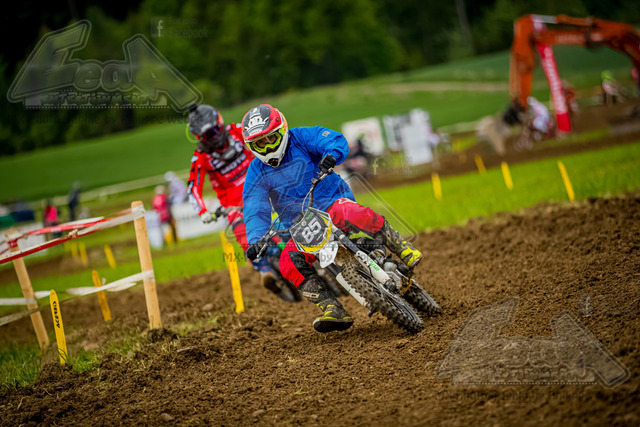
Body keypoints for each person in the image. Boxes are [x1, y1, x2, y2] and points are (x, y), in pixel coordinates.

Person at [241, 104, 423, 333]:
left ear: (282, 131)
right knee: (287, 262)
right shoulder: (256, 171)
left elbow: (333, 139)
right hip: (300, 226)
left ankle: (400, 246)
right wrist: (256, 239)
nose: (267, 147)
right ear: (252, 146)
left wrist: (331, 155)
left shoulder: (301, 137)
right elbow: (254, 207)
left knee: (352, 213)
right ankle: (331, 308)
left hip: (331, 202)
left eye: (271, 139)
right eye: (260, 143)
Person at [185, 103, 283, 298]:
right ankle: (265, 271)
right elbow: (193, 187)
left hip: (263, 184)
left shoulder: (239, 131)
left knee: (289, 212)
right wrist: (202, 212)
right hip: (233, 204)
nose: (213, 138)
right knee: (241, 233)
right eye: (206, 136)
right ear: (198, 138)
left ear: (220, 123)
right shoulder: (200, 157)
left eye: (214, 131)